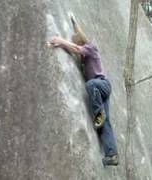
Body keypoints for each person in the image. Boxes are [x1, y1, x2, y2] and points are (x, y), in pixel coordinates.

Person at [47, 16, 118, 166]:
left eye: (76, 41)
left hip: (102, 84)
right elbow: (73, 49)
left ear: (81, 42)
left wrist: (62, 39)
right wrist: (58, 43)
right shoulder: (84, 59)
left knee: (91, 85)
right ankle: (112, 155)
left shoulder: (91, 48)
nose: (75, 43)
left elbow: (76, 48)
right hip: (99, 92)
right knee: (105, 124)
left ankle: (99, 114)